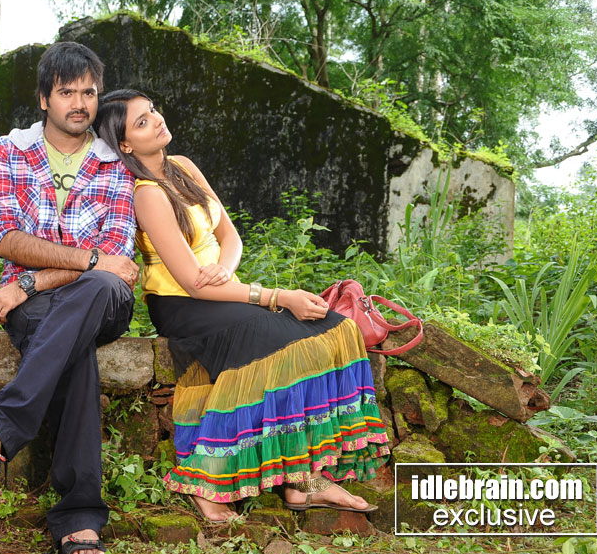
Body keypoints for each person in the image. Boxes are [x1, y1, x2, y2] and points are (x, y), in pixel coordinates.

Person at [93, 89, 390, 522]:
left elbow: (229, 235)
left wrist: (225, 269)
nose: (156, 120)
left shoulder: (183, 167)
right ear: (124, 144)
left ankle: (303, 482)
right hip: (185, 305)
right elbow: (193, 284)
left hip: (225, 290)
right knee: (283, 344)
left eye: (153, 110)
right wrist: (275, 296)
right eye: (142, 122)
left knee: (336, 329)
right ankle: (208, 484)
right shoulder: (146, 193)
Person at [0, 44, 139, 554]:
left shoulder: (116, 164)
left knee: (98, 288)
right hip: (41, 308)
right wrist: (89, 259)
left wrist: (29, 283)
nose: (79, 103)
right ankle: (79, 515)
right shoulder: (8, 152)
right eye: (66, 92)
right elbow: (4, 237)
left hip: (99, 299)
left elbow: (116, 261)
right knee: (74, 354)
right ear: (44, 98)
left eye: (88, 92)